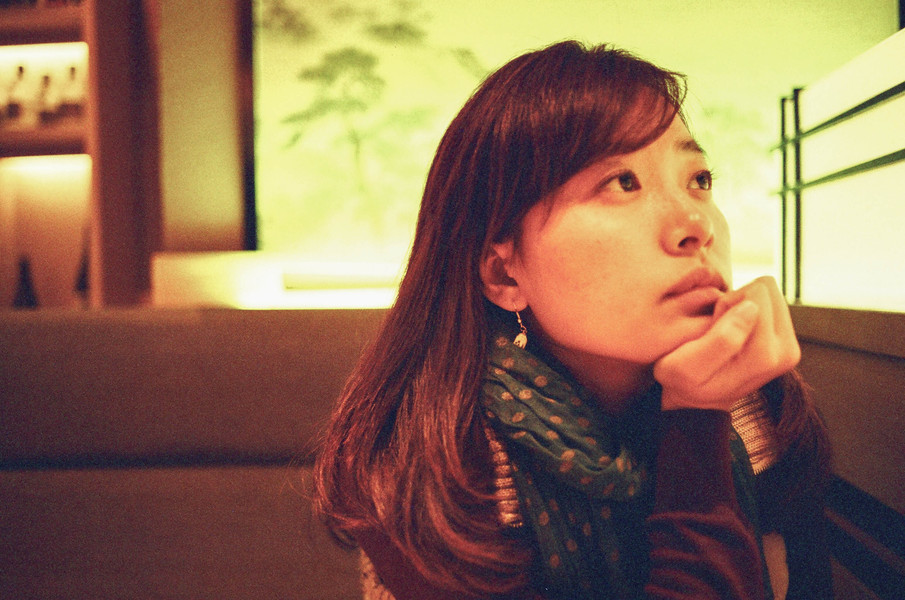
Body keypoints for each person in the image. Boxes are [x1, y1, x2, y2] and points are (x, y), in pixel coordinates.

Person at [313, 41, 832, 599]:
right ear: (504, 273)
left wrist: (706, 410)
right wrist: (697, 418)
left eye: (699, 179)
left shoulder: (756, 407)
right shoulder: (433, 466)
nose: (695, 224)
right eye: (622, 182)